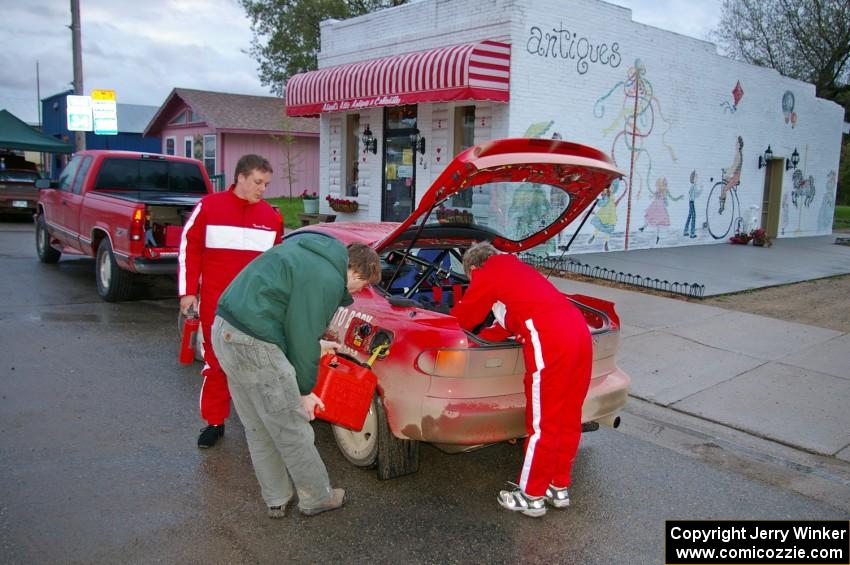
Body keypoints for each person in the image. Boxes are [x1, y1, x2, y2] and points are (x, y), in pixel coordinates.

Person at [211, 238, 381, 518]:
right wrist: (302, 391)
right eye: (362, 285)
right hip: (255, 344)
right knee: (292, 428)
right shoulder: (327, 277)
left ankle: (276, 498)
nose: (359, 291)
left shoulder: (309, 252)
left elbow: (286, 318)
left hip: (226, 332)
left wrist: (318, 346)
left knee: (258, 427)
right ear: (356, 272)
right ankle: (317, 497)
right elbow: (301, 338)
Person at [450, 241, 592, 518]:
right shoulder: (517, 270)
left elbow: (467, 316)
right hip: (579, 334)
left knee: (543, 424)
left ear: (474, 268)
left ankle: (531, 496)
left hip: (550, 341)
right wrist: (477, 343)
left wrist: (443, 327)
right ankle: (557, 487)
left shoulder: (488, 271)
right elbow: (504, 324)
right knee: (567, 417)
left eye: (470, 278)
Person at [178, 154, 283, 448]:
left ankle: (260, 424)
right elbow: (190, 248)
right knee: (217, 364)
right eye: (258, 182)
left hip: (255, 310)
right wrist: (188, 292)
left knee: (257, 366)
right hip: (216, 305)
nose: (263, 188)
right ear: (240, 177)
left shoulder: (271, 218)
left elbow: (276, 267)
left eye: (267, 183)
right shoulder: (209, 208)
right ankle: (214, 422)